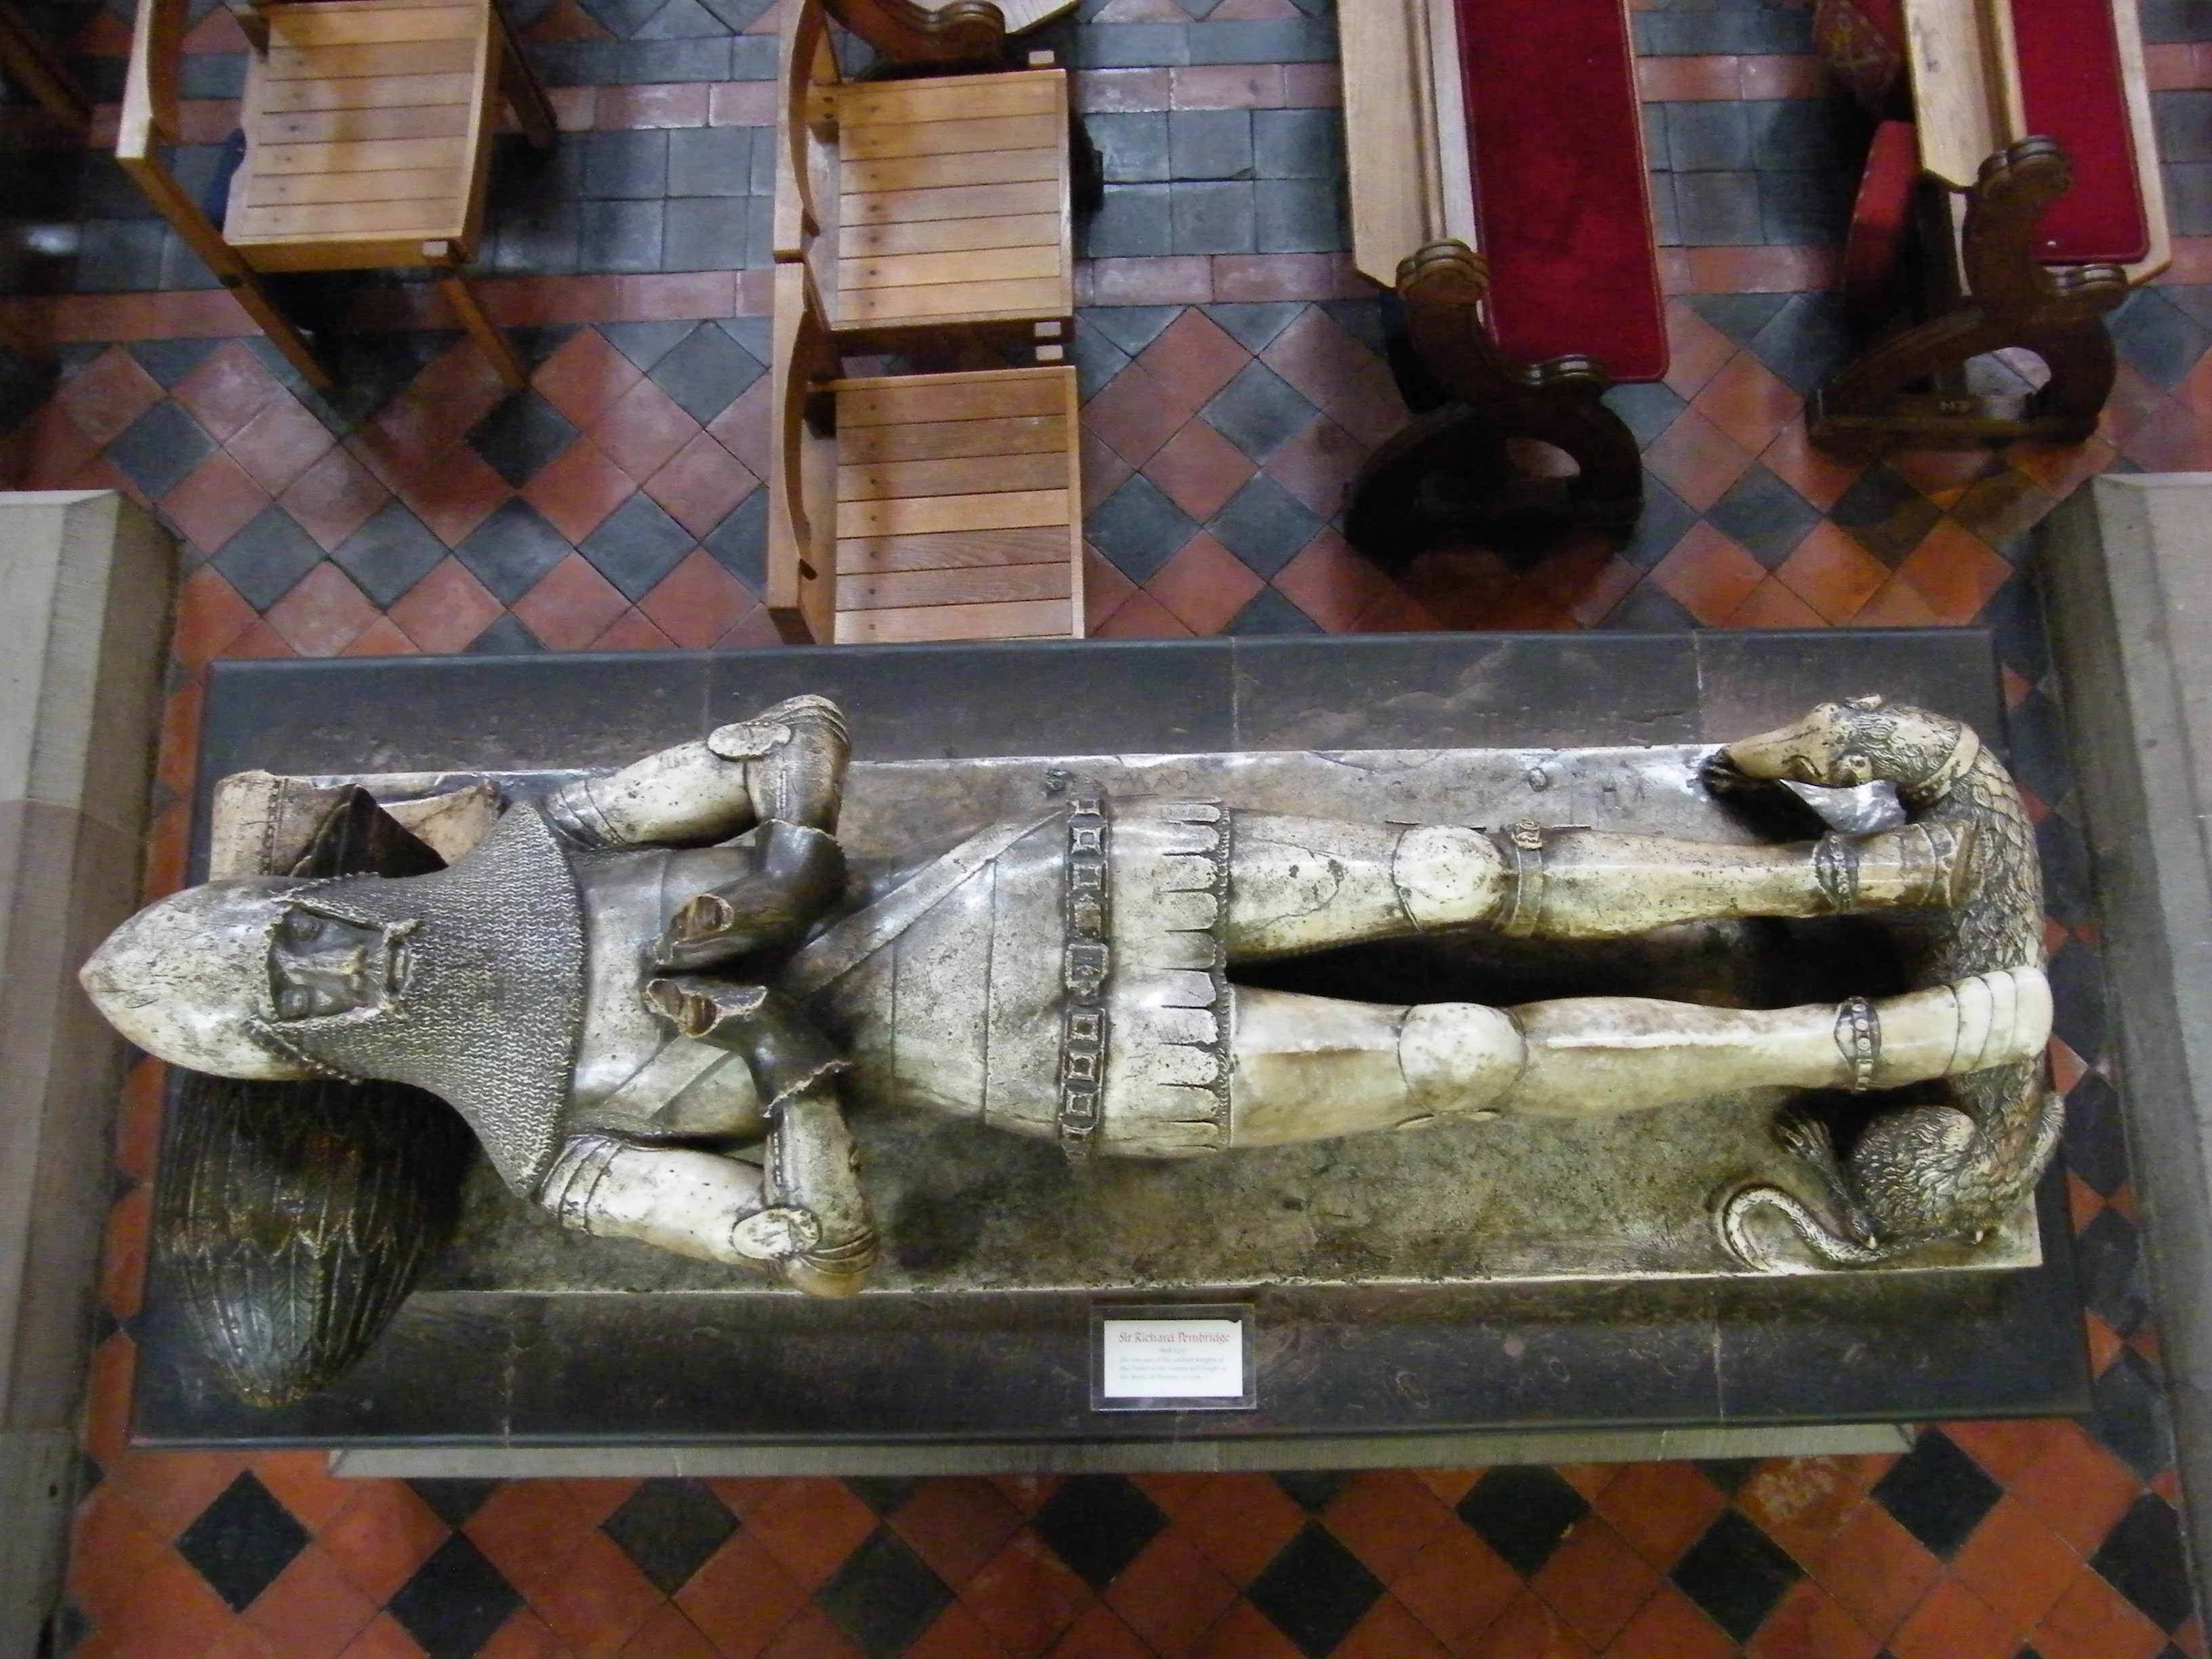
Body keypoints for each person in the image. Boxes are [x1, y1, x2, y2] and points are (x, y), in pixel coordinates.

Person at [81, 696, 2049, 1298]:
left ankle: (1844, 874)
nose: (336, 960)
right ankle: (1878, 1040)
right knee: (1465, 1050)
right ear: (302, 1050)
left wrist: (780, 862)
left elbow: (787, 732)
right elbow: (809, 1255)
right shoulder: (549, 1150)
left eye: (298, 930)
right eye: (300, 991)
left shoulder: (551, 841)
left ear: (313, 898)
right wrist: (792, 1078)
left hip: (1054, 881)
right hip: (1074, 1063)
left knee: (1463, 870)